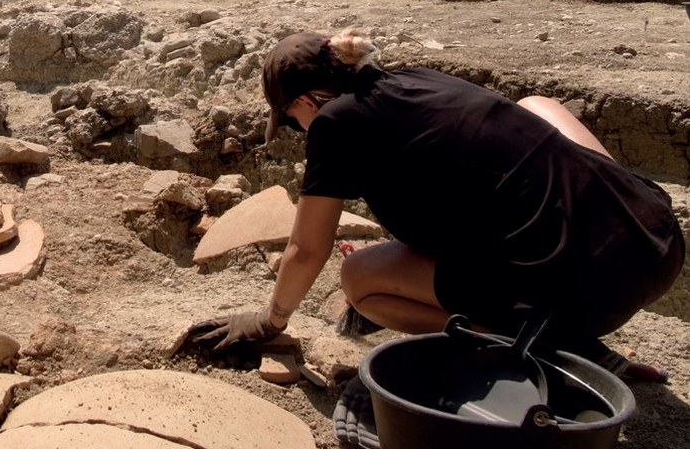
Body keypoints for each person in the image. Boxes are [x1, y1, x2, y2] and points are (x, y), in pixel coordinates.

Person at [189, 30, 685, 377]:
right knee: (539, 107)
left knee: (360, 280)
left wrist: (270, 320)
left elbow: (306, 249)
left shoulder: (335, 123)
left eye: (291, 119)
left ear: (303, 103)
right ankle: (565, 284)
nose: (298, 131)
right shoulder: (417, 79)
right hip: (655, 240)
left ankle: (547, 344)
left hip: (592, 293)